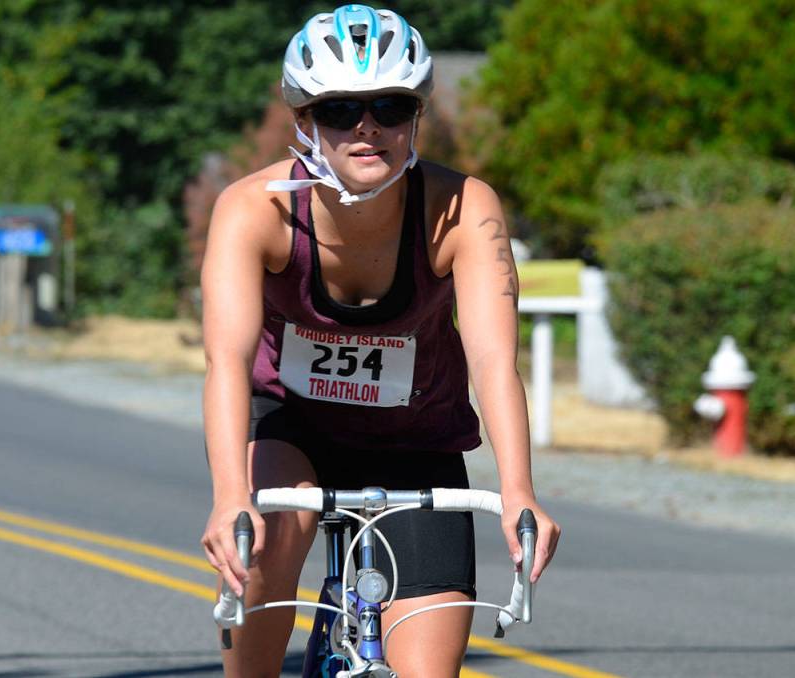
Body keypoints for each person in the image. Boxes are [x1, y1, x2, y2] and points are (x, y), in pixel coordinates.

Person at [200, 5, 560, 676]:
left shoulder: (462, 210)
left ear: (415, 119)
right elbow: (226, 361)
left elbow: (492, 361)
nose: (368, 127)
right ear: (305, 122)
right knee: (267, 544)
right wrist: (230, 497)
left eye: (391, 107)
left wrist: (518, 489)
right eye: (340, 111)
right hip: (291, 430)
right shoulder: (254, 211)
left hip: (416, 441)